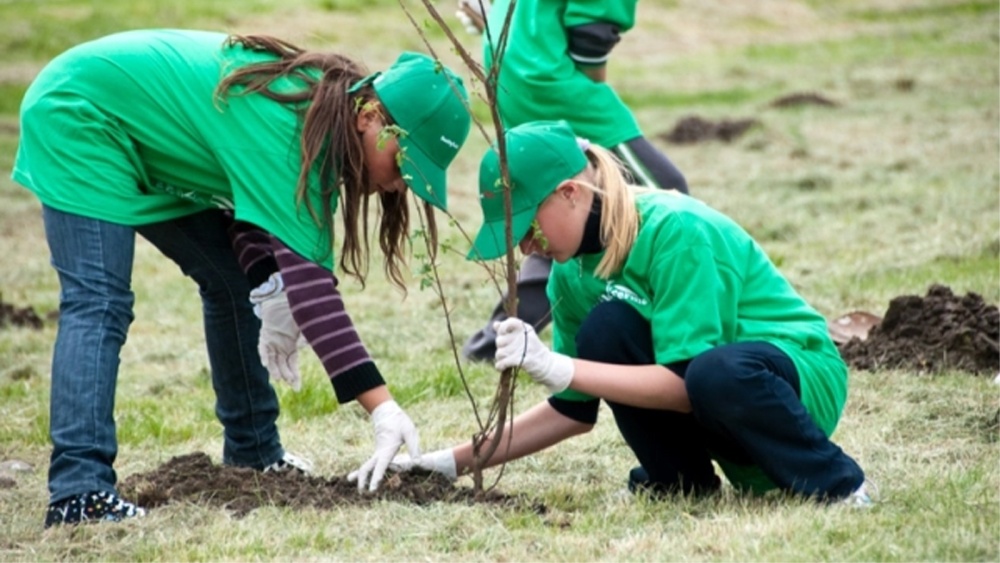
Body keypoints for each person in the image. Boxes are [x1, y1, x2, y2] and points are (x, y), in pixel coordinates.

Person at [13, 29, 471, 527]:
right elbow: (315, 296)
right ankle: (79, 493)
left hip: (135, 133)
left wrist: (266, 285)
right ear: (370, 118)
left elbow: (248, 211)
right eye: (406, 163)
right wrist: (382, 408)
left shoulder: (321, 120)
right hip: (82, 113)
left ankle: (253, 452)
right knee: (99, 302)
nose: (402, 182)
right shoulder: (289, 129)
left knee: (233, 281)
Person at [396, 121, 871, 504]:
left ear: (569, 193)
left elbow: (687, 385)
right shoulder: (572, 275)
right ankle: (680, 485)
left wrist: (560, 365)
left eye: (526, 223)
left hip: (796, 381)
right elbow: (572, 411)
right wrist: (451, 462)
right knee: (608, 327)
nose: (522, 244)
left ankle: (840, 485)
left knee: (713, 371)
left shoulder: (677, 230)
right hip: (719, 395)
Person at [458, 0, 691, 362]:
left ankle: (498, 339)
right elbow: (592, 33)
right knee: (665, 194)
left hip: (518, 64)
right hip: (550, 79)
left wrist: (504, 22)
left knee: (564, 211)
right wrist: (589, 87)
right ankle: (670, 324)